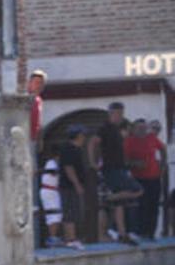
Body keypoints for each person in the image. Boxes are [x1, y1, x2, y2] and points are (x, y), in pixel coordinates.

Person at [89, 101, 141, 244]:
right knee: (136, 190)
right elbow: (92, 142)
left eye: (122, 114)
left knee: (120, 202)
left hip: (118, 168)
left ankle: (122, 233)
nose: (121, 116)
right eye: (118, 113)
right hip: (110, 169)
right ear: (112, 113)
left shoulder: (116, 131)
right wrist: (93, 162)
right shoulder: (105, 128)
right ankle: (108, 200)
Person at [125, 118, 164, 238]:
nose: (142, 130)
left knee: (154, 205)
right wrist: (134, 163)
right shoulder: (129, 141)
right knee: (141, 205)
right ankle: (140, 232)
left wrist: (163, 165)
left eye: (144, 128)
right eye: (139, 128)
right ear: (134, 129)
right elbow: (124, 160)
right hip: (139, 179)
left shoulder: (151, 138)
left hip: (154, 177)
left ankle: (151, 232)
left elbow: (162, 148)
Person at [57, 125, 87, 249]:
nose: (84, 138)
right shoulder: (69, 149)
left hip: (71, 186)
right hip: (68, 186)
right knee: (70, 211)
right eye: (82, 135)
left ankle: (71, 238)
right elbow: (69, 168)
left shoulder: (76, 149)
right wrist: (77, 184)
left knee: (73, 212)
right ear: (78, 136)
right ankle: (70, 239)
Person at [39, 147, 63, 246]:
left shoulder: (55, 163)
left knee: (57, 214)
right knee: (53, 214)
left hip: (53, 191)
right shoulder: (51, 163)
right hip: (49, 191)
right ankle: (52, 238)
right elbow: (53, 172)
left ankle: (53, 237)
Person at [28, 70, 47, 152]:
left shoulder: (38, 100)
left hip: (33, 140)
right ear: (29, 83)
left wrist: (40, 139)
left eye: (41, 83)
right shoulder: (24, 99)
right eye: (37, 82)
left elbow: (38, 122)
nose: (39, 86)